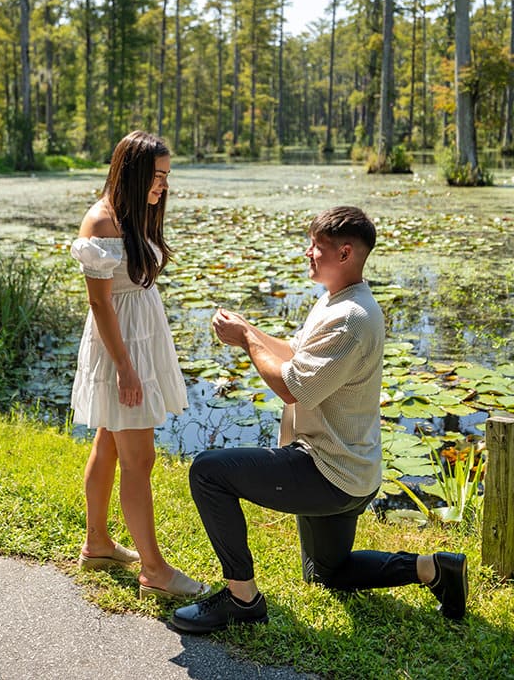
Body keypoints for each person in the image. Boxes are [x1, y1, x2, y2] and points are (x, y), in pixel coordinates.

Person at [171, 206, 467, 633]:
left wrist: (248, 340)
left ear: (345, 253)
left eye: (317, 247)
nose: (308, 252)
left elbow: (293, 387)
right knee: (327, 572)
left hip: (326, 471)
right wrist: (250, 332)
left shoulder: (352, 318)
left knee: (208, 473)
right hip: (351, 470)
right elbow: (295, 355)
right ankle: (434, 570)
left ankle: (242, 598)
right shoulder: (337, 300)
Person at [69, 130, 208, 599]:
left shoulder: (132, 213)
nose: (163, 186)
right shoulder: (101, 223)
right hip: (120, 348)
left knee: (109, 441)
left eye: (167, 176)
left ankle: (97, 544)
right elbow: (101, 305)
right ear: (132, 172)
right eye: (157, 175)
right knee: (140, 458)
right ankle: (154, 570)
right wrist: (126, 368)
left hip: (139, 341)